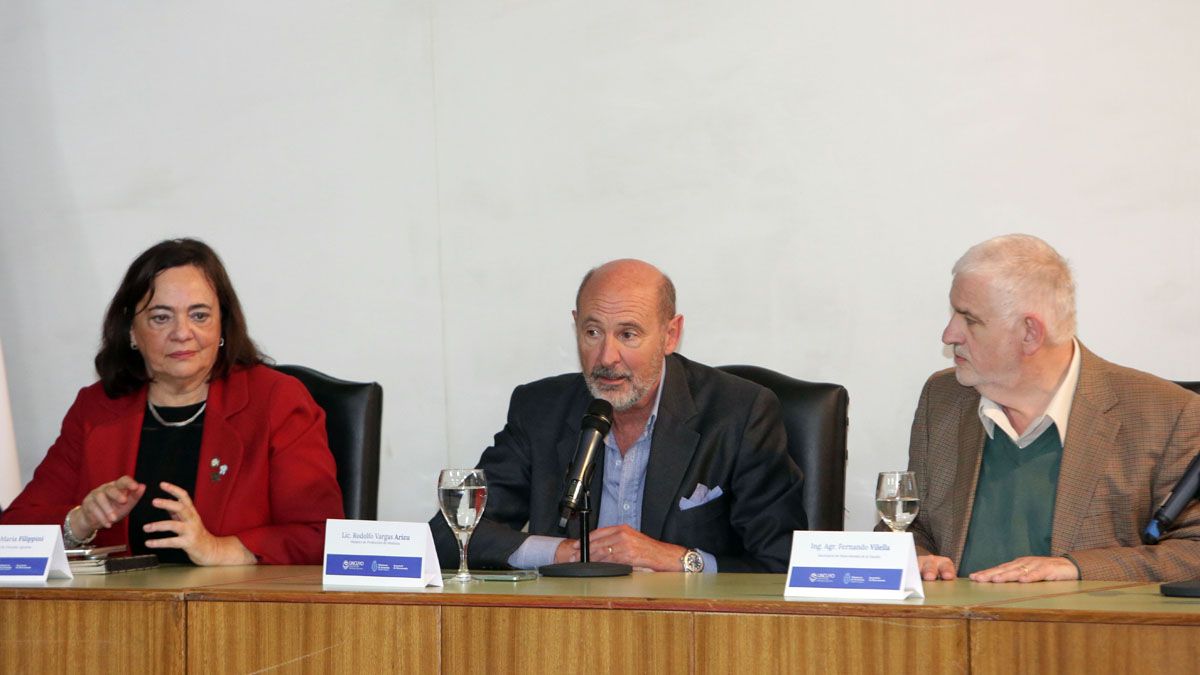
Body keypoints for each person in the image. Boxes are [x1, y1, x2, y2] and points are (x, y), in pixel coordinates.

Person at [431, 259, 807, 573]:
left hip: (689, 634)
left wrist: (678, 559)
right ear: (575, 325)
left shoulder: (740, 413)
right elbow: (450, 535)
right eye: (593, 332)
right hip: (567, 632)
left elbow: (782, 562)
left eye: (628, 335)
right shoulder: (540, 409)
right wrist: (563, 553)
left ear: (670, 335)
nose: (607, 357)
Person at [0, 239, 343, 565]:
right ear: (132, 332)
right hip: (117, 615)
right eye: (161, 317)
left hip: (239, 617)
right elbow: (14, 531)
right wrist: (80, 521)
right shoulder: (97, 408)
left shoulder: (276, 401)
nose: (182, 332)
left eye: (199, 315)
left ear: (222, 325)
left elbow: (320, 535)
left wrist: (220, 549)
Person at [897, 234, 1200, 583]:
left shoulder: (1166, 415)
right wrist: (918, 558)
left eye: (970, 319)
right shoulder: (943, 398)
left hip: (1086, 635)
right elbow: (907, 524)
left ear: (1030, 333)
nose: (949, 334)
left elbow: (1193, 550)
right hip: (954, 633)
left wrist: (1076, 568)